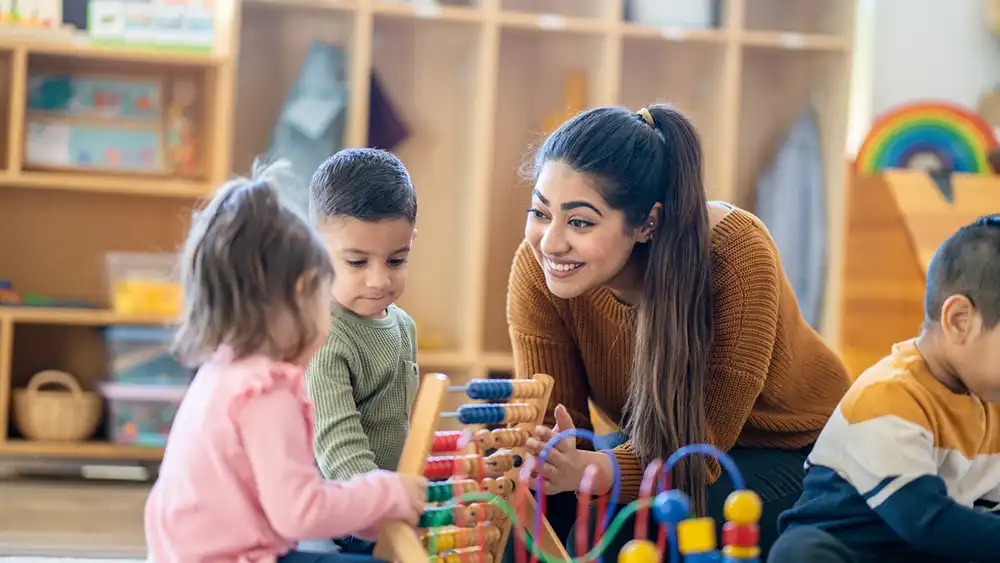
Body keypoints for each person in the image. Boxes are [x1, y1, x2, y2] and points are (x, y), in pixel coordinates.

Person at [506, 104, 851, 557]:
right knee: (522, 519)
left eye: (580, 222)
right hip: (663, 446)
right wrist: (544, 458)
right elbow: (561, 431)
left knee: (627, 540)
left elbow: (701, 450)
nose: (550, 241)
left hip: (797, 451)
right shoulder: (541, 269)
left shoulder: (736, 254)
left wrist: (598, 469)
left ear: (648, 222)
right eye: (540, 212)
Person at [144, 162, 427, 563]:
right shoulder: (265, 392)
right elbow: (300, 513)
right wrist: (387, 494)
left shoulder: (225, 369)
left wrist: (382, 509)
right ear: (297, 297)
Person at [770, 215, 1000, 563]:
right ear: (959, 321)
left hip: (925, 551)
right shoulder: (888, 397)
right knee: (800, 552)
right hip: (855, 550)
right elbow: (925, 520)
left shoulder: (991, 404)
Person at [304, 148, 420, 554]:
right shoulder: (325, 338)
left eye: (396, 260)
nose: (378, 280)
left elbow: (401, 427)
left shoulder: (403, 327)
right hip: (341, 520)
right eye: (356, 262)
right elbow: (338, 447)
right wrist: (383, 508)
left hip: (382, 509)